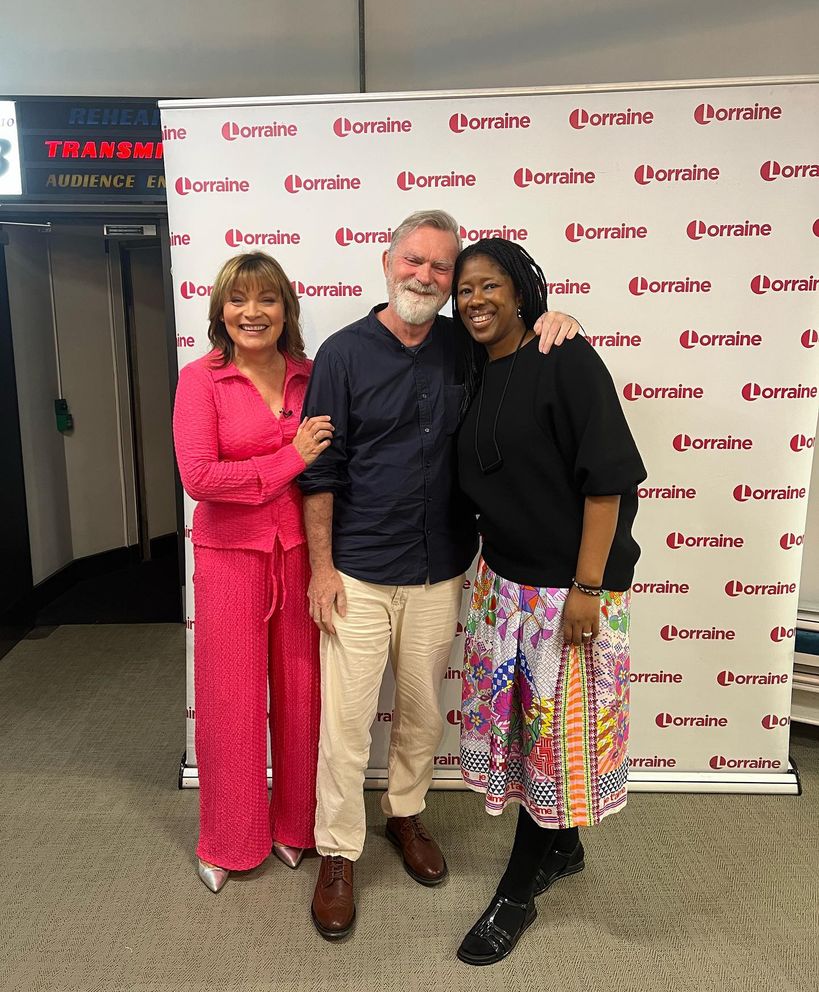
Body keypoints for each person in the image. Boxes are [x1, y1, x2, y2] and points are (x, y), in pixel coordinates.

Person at [298, 210, 581, 939]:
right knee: (347, 722)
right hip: (356, 571)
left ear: (453, 281)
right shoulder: (342, 354)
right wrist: (320, 568)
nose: (424, 276)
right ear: (386, 261)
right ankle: (337, 851)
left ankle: (406, 815)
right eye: (412, 261)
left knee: (423, 711)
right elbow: (318, 471)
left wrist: (560, 320)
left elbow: (526, 356)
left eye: (440, 267)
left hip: (439, 568)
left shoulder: (466, 344)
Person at [451, 238, 646, 965]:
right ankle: (562, 848)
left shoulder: (561, 358)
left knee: (552, 748)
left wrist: (586, 590)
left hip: (570, 594)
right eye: (464, 288)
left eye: (491, 286)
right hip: (504, 589)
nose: (475, 299)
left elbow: (608, 481)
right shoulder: (474, 367)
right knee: (528, 740)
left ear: (522, 289)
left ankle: (516, 892)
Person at [172, 252, 333, 893]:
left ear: (286, 310)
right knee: (231, 702)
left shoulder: (311, 376)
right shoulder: (200, 380)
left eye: (267, 300)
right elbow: (201, 479)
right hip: (228, 559)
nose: (252, 313)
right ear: (220, 312)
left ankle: (296, 826)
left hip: (299, 556)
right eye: (238, 300)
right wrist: (287, 460)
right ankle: (230, 837)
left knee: (300, 692)